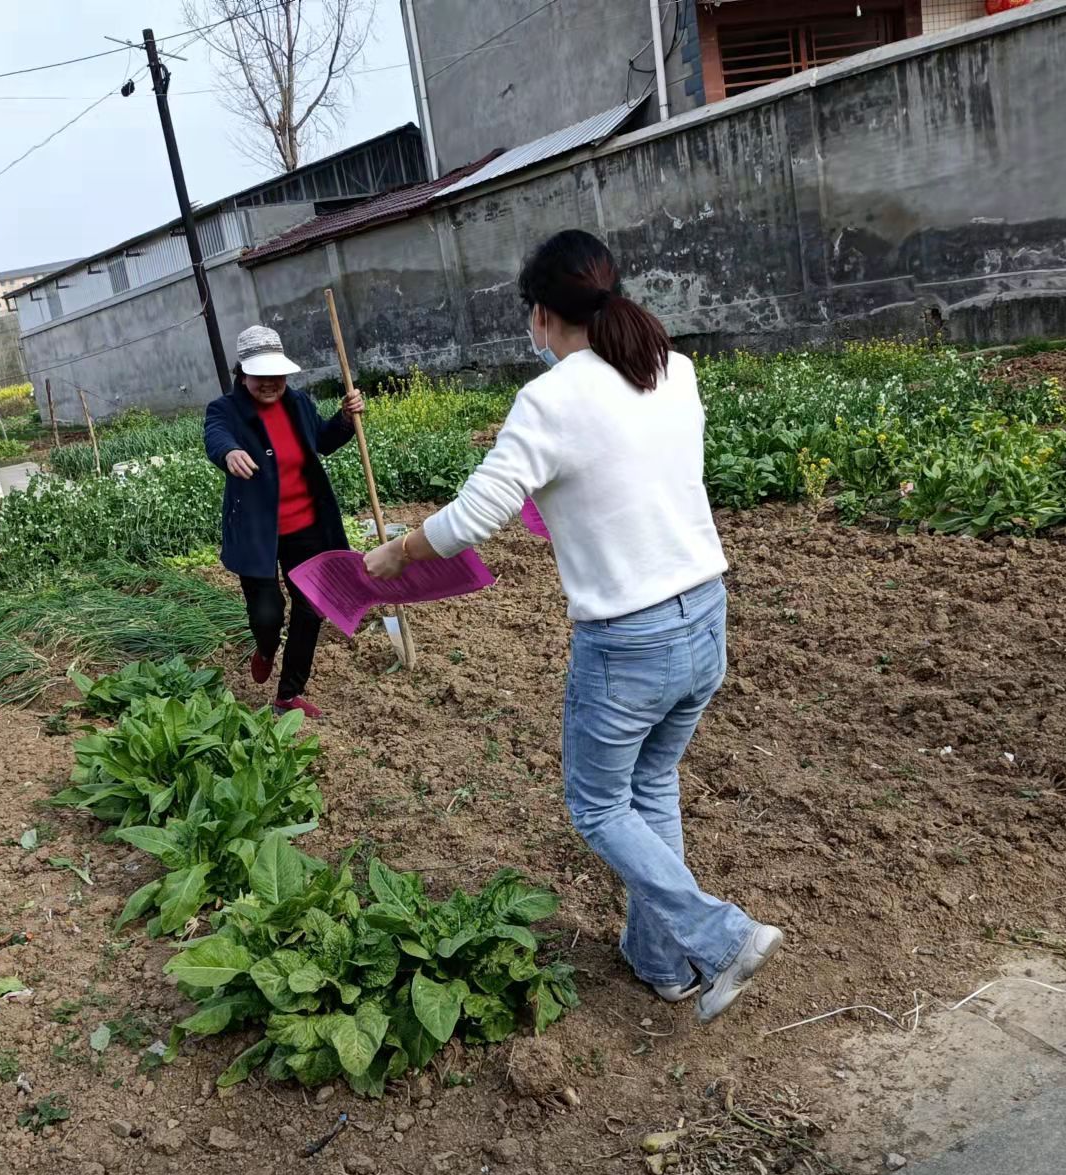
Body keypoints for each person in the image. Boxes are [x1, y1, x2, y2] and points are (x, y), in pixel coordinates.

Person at [363, 230, 782, 1023]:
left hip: (629, 639)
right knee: (649, 786)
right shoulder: (672, 369)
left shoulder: (548, 402)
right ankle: (662, 962)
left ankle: (722, 936)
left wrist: (396, 553)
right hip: (704, 614)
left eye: (531, 316)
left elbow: (473, 517)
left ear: (543, 316)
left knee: (595, 806)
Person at [204, 325, 364, 718]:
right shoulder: (226, 410)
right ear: (243, 374)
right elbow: (216, 436)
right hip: (258, 533)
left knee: (310, 610)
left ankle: (288, 695)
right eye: (262, 377)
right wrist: (229, 454)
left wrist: (344, 419)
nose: (272, 384)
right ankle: (265, 646)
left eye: (277, 375)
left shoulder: (299, 403)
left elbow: (322, 442)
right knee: (268, 616)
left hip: (306, 527)